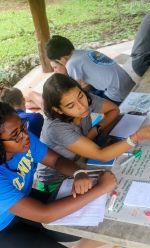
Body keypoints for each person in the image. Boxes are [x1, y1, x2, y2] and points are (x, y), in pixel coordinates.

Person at [0, 102, 117, 247]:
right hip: (3, 226)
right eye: (15, 135)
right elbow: (45, 214)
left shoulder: (24, 139)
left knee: (73, 230)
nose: (25, 135)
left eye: (23, 126)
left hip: (23, 196)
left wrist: (78, 172)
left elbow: (55, 160)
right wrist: (101, 188)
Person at [37, 73, 150, 192]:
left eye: (80, 96)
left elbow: (114, 110)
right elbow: (102, 155)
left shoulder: (85, 100)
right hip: (57, 183)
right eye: (71, 106)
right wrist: (138, 136)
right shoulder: (56, 128)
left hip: (81, 162)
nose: (82, 106)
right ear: (58, 110)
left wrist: (94, 130)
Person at [46, 35, 135, 106]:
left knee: (82, 99)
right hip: (131, 86)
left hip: (117, 96)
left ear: (62, 59)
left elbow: (77, 90)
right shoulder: (87, 51)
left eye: (56, 65)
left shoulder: (71, 63)